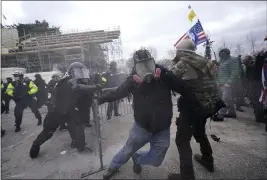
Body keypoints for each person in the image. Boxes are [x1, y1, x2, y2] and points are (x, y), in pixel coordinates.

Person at [98, 49, 199, 180]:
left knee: (156, 160)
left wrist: (194, 104)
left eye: (148, 63)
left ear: (153, 62)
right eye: (141, 65)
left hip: (162, 128)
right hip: (141, 127)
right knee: (127, 150)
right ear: (135, 67)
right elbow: (118, 93)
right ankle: (112, 167)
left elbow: (183, 88)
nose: (146, 68)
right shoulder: (132, 80)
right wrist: (101, 99)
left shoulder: (164, 75)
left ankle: (137, 158)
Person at [168, 39, 225, 180]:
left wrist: (173, 62)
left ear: (181, 51)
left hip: (192, 107)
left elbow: (169, 78)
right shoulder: (206, 61)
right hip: (208, 105)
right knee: (199, 131)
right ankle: (207, 159)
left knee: (182, 141)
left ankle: (187, 177)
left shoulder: (183, 63)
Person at [29, 62, 101, 158]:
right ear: (71, 73)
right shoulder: (70, 81)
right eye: (79, 72)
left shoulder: (72, 81)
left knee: (77, 127)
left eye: (82, 72)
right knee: (48, 132)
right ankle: (35, 146)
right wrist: (95, 87)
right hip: (56, 111)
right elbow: (79, 88)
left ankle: (80, 146)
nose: (81, 74)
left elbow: (82, 93)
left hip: (68, 110)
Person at [213, 48, 241, 121]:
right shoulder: (221, 61)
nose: (222, 54)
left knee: (224, 99)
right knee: (228, 99)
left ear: (227, 53)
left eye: (223, 53)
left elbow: (235, 72)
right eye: (221, 53)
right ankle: (232, 113)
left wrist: (229, 82)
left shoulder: (233, 59)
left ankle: (220, 114)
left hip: (228, 84)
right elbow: (219, 72)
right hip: (221, 83)